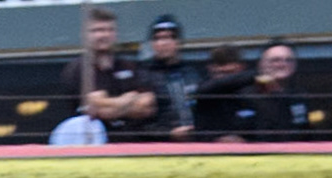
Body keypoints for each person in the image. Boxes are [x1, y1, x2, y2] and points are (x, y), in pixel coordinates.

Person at [59, 6, 156, 140]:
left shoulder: (128, 65)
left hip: (133, 144)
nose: (104, 35)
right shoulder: (77, 70)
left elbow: (146, 107)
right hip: (93, 147)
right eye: (97, 30)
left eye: (110, 30)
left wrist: (109, 103)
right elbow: (97, 110)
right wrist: (129, 99)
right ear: (85, 35)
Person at [142, 13, 199, 141]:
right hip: (160, 146)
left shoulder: (192, 72)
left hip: (196, 142)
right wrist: (168, 133)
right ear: (152, 44)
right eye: (157, 38)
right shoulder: (143, 74)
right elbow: (138, 123)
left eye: (168, 37)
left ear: (178, 41)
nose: (163, 43)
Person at [248, 42, 315, 140]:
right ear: (261, 64)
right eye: (275, 60)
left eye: (288, 60)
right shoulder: (246, 95)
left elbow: (308, 132)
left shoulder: (301, 95)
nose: (282, 64)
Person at [193, 45, 257, 142]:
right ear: (211, 68)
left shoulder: (251, 94)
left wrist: (245, 141)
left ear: (241, 68)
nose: (226, 80)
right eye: (221, 74)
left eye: (230, 73)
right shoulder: (205, 93)